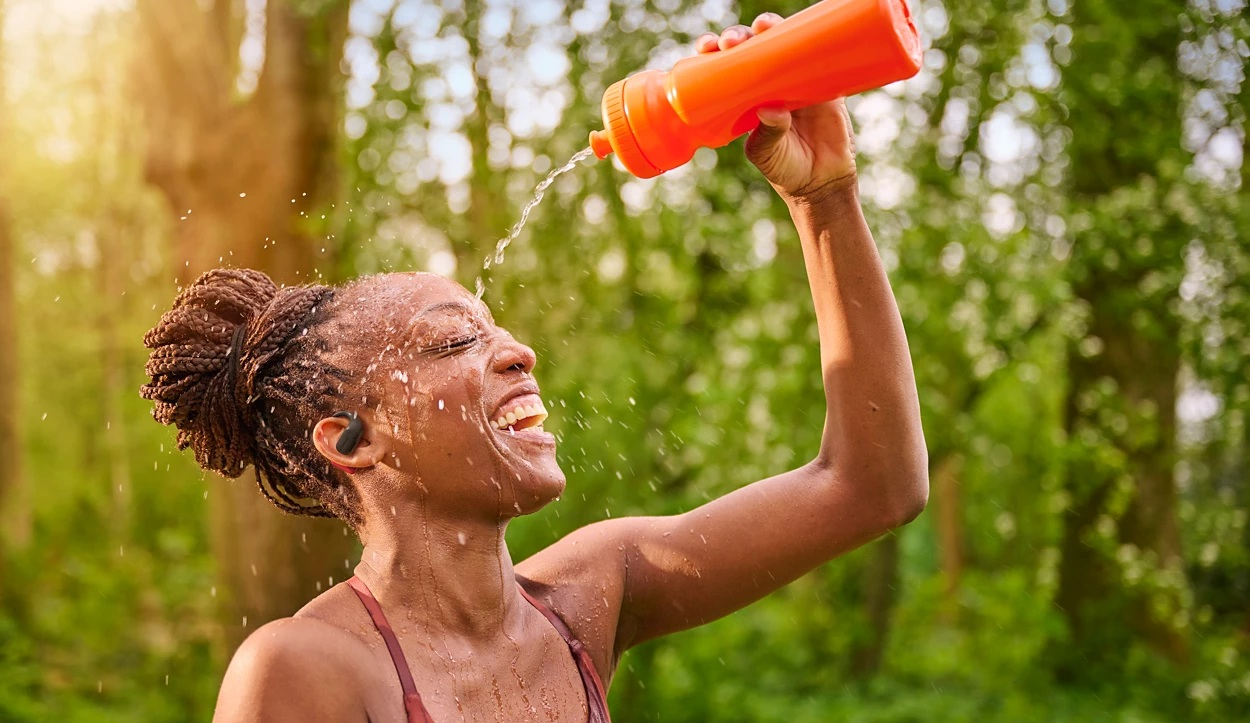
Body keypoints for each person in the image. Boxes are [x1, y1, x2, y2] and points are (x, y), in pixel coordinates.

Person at [141, 14, 928, 723]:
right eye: (454, 344)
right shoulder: (305, 670)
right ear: (351, 440)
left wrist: (825, 197)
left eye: (496, 333)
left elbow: (870, 486)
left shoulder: (589, 597)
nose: (519, 353)